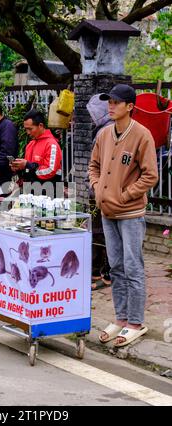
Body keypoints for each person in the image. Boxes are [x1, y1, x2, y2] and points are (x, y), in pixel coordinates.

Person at [89, 84, 158, 347]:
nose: (111, 105)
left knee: (133, 267)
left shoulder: (143, 136)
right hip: (107, 211)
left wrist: (125, 195)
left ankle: (136, 322)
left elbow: (151, 175)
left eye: (116, 102)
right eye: (109, 101)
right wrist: (97, 188)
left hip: (130, 212)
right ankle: (121, 317)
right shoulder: (104, 134)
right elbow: (94, 166)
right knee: (115, 266)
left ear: (130, 106)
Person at [86, 94, 113, 290]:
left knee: (103, 233)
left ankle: (107, 273)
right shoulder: (102, 130)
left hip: (104, 193)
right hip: (96, 190)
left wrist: (97, 187)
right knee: (97, 232)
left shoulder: (107, 131)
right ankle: (96, 270)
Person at [10, 109, 62, 186]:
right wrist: (19, 168)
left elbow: (50, 170)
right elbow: (29, 171)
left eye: (30, 129)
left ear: (40, 126)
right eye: (26, 129)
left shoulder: (51, 144)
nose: (27, 132)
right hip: (31, 192)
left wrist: (27, 165)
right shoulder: (30, 144)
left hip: (48, 193)